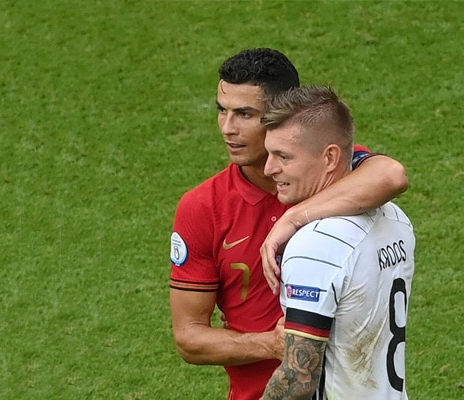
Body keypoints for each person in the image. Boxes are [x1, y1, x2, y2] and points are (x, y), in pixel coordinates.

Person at [169, 48, 409, 400]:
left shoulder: (329, 170)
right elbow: (189, 338)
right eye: (222, 111)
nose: (228, 128)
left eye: (245, 114)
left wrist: (292, 218)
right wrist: (271, 343)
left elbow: (391, 175)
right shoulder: (203, 207)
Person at [260, 85, 415, 400]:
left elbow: (297, 380)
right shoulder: (396, 219)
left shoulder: (314, 245)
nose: (269, 169)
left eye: (284, 157)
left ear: (330, 157)